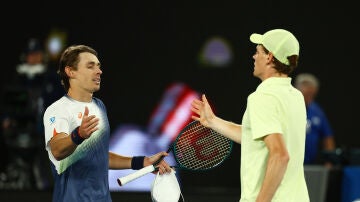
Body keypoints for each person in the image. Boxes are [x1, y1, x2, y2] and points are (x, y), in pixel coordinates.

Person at [191, 29, 309, 201]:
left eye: (258, 51)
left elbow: (280, 155)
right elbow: (254, 135)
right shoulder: (296, 96)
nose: (254, 56)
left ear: (269, 57)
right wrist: (212, 121)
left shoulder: (262, 97)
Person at [43, 44, 172, 202]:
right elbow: (57, 150)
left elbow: (99, 157)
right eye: (90, 66)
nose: (99, 71)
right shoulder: (57, 110)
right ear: (71, 72)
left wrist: (142, 162)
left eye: (98, 66)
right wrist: (78, 135)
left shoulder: (99, 107)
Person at [294, 73, 336, 165]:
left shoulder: (317, 111)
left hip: (310, 164)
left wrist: (330, 160)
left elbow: (328, 137)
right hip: (289, 163)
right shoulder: (287, 108)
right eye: (306, 94)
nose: (309, 98)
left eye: (311, 95)